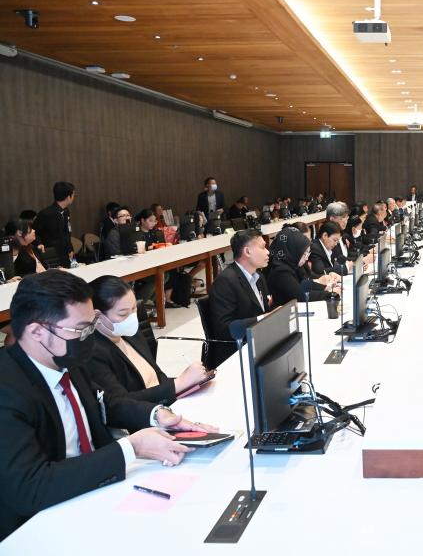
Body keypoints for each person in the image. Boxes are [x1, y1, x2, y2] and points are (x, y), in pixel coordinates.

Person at [0, 270, 215, 540]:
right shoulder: (8, 390)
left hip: (96, 489)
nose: (89, 337)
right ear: (37, 332)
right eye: (80, 329)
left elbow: (105, 403)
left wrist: (158, 415)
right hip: (41, 522)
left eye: (91, 326)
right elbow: (29, 486)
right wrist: (131, 448)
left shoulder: (64, 358)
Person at [87, 276, 210, 413]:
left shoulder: (130, 333)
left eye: (134, 309)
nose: (132, 317)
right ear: (97, 316)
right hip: (143, 416)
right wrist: (179, 383)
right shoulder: (93, 353)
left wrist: (186, 385)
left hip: (165, 404)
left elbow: (157, 374)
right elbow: (121, 404)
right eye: (123, 314)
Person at [208, 229, 271, 368]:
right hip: (236, 352)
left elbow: (264, 311)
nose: (268, 252)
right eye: (263, 247)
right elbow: (224, 329)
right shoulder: (225, 281)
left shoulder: (259, 277)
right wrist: (263, 319)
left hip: (259, 343)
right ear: (247, 251)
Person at [267, 226, 339, 307]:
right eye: (304, 254)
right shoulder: (281, 272)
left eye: (308, 253)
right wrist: (330, 294)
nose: (307, 258)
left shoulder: (293, 264)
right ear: (293, 250)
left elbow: (305, 284)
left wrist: (326, 287)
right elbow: (301, 296)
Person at [32, 181, 76, 267]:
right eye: (73, 195)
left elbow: (66, 232)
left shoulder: (66, 211)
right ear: (68, 197)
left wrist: (70, 248)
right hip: (51, 255)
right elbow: (34, 231)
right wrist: (39, 243)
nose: (74, 197)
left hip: (65, 253)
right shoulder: (46, 213)